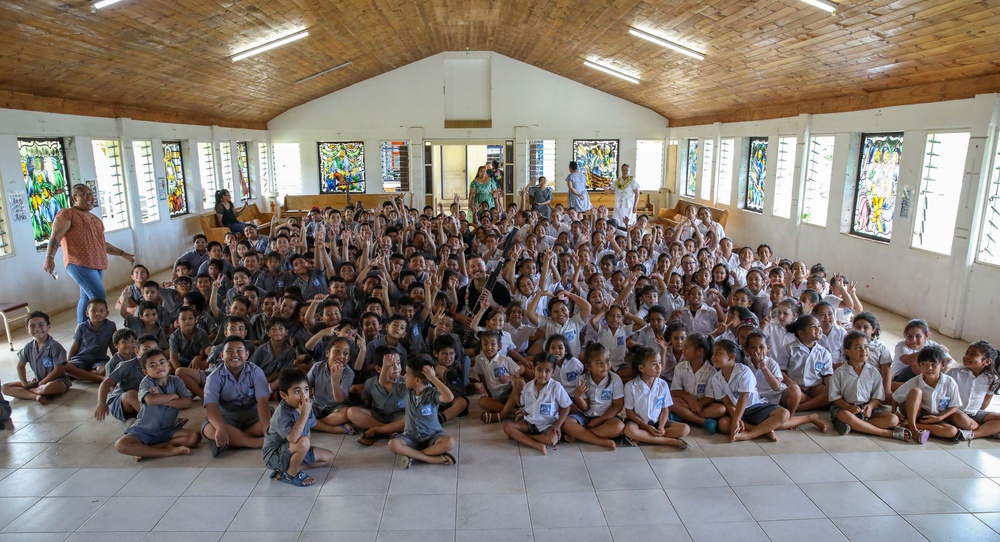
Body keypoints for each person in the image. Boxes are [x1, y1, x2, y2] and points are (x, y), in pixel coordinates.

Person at [43, 183, 135, 323]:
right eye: (84, 194)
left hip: (97, 263)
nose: (89, 197)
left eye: (90, 194)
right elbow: (56, 237)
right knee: (98, 296)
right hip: (78, 263)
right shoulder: (68, 214)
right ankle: (95, 329)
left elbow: (102, 244)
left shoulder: (95, 219)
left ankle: (81, 331)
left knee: (86, 298)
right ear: (74, 198)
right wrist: (49, 257)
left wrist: (122, 253)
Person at [113, 349, 201, 461]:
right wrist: (173, 395)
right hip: (144, 429)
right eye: (153, 365)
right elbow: (150, 400)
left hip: (168, 430)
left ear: (168, 364)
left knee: (194, 437)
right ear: (145, 371)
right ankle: (166, 451)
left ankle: (149, 449)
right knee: (121, 445)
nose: (159, 367)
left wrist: (160, 398)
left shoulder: (176, 381)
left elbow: (187, 402)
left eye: (162, 362)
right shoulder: (146, 382)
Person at [828, 331, 906, 440]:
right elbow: (834, 397)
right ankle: (885, 433)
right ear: (847, 351)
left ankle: (855, 426)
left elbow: (877, 396)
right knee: (845, 415)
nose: (863, 350)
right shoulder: (840, 372)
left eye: (866, 347)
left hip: (866, 409)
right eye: (858, 347)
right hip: (845, 407)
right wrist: (848, 407)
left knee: (893, 419)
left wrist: (870, 406)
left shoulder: (873, 372)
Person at [263, 368, 335, 486]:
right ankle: (291, 474)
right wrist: (304, 413)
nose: (304, 395)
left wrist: (304, 450)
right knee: (303, 442)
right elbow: (293, 438)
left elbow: (307, 432)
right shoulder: (282, 413)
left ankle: (288, 469)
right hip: (274, 456)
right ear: (284, 395)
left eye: (306, 390)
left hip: (295, 448)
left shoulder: (306, 406)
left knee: (329, 458)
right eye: (297, 391)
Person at [710, 339, 791, 442]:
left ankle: (750, 434)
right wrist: (737, 419)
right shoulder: (716, 379)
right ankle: (765, 430)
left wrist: (736, 420)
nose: (714, 356)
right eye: (713, 353)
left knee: (784, 414)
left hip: (755, 407)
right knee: (723, 424)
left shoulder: (744, 371)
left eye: (718, 352)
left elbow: (744, 397)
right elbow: (727, 402)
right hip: (738, 410)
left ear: (731, 357)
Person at [202, 336, 271, 456]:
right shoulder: (213, 377)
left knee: (275, 420)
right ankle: (257, 442)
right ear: (222, 356)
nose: (235, 354)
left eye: (239, 351)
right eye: (229, 351)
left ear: (247, 354)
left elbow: (263, 401)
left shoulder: (256, 371)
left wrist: (266, 429)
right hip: (227, 417)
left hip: (253, 415)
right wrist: (220, 428)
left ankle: (233, 440)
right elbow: (211, 406)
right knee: (209, 429)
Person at [387, 355, 457, 468]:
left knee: (450, 442)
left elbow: (449, 397)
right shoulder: (405, 390)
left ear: (417, 380)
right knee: (393, 444)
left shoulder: (432, 393)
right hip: (410, 437)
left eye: (407, 373)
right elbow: (383, 382)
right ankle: (431, 458)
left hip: (432, 436)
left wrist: (433, 378)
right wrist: (386, 367)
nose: (404, 376)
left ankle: (412, 455)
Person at [623, 345, 690, 448]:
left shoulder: (663, 384)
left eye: (659, 362)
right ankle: (667, 441)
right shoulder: (631, 386)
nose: (659, 367)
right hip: (639, 423)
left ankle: (645, 437)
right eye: (654, 364)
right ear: (641, 368)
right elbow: (630, 413)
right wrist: (646, 427)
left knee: (685, 429)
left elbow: (665, 409)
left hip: (657, 422)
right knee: (629, 430)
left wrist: (661, 427)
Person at [503, 355, 572, 455]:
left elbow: (566, 407)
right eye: (539, 370)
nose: (543, 374)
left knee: (552, 440)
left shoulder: (556, 387)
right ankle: (537, 445)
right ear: (533, 370)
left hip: (548, 425)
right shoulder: (527, 386)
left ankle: (522, 437)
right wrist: (515, 385)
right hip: (530, 422)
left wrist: (557, 425)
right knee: (507, 427)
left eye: (547, 371)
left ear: (553, 372)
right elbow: (519, 403)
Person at [892, 345, 961, 443]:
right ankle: (912, 426)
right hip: (916, 413)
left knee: (952, 431)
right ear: (919, 365)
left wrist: (939, 418)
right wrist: (894, 412)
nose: (929, 368)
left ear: (943, 365)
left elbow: (955, 405)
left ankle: (910, 425)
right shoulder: (916, 381)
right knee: (916, 391)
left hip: (935, 417)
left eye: (934, 364)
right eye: (924, 364)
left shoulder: (950, 383)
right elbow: (895, 397)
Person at [564, 344, 625, 449]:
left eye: (607, 361)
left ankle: (581, 435)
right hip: (586, 416)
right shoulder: (583, 380)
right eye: (599, 363)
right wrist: (578, 397)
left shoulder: (615, 379)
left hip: (607, 417)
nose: (605, 366)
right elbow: (585, 408)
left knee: (618, 427)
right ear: (588, 366)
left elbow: (618, 406)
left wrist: (599, 420)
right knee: (566, 423)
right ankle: (601, 441)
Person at [3, 311, 70, 404]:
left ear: (48, 327)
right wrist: (25, 384)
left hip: (58, 381)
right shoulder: (28, 347)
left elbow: (58, 370)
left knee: (48, 387)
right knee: (5, 388)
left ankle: (34, 391)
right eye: (32, 326)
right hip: (38, 381)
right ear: (27, 329)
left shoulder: (55, 346)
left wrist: (41, 383)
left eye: (41, 325)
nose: (37, 328)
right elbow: (20, 366)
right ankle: (36, 396)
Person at [947, 341, 1000, 443]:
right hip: (955, 412)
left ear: (987, 362)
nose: (967, 356)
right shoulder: (954, 373)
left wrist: (977, 414)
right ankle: (988, 430)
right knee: (963, 420)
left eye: (973, 354)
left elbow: (985, 403)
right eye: (967, 353)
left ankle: (972, 434)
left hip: (974, 413)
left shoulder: (993, 379)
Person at [65, 298, 117, 383]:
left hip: (100, 359)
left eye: (101, 310)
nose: (97, 313)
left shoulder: (111, 326)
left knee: (104, 371)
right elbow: (75, 346)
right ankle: (100, 378)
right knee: (66, 367)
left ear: (107, 313)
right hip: (82, 358)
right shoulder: (81, 327)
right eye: (93, 311)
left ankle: (80, 375)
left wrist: (118, 360)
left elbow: (113, 345)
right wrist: (69, 360)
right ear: (87, 313)